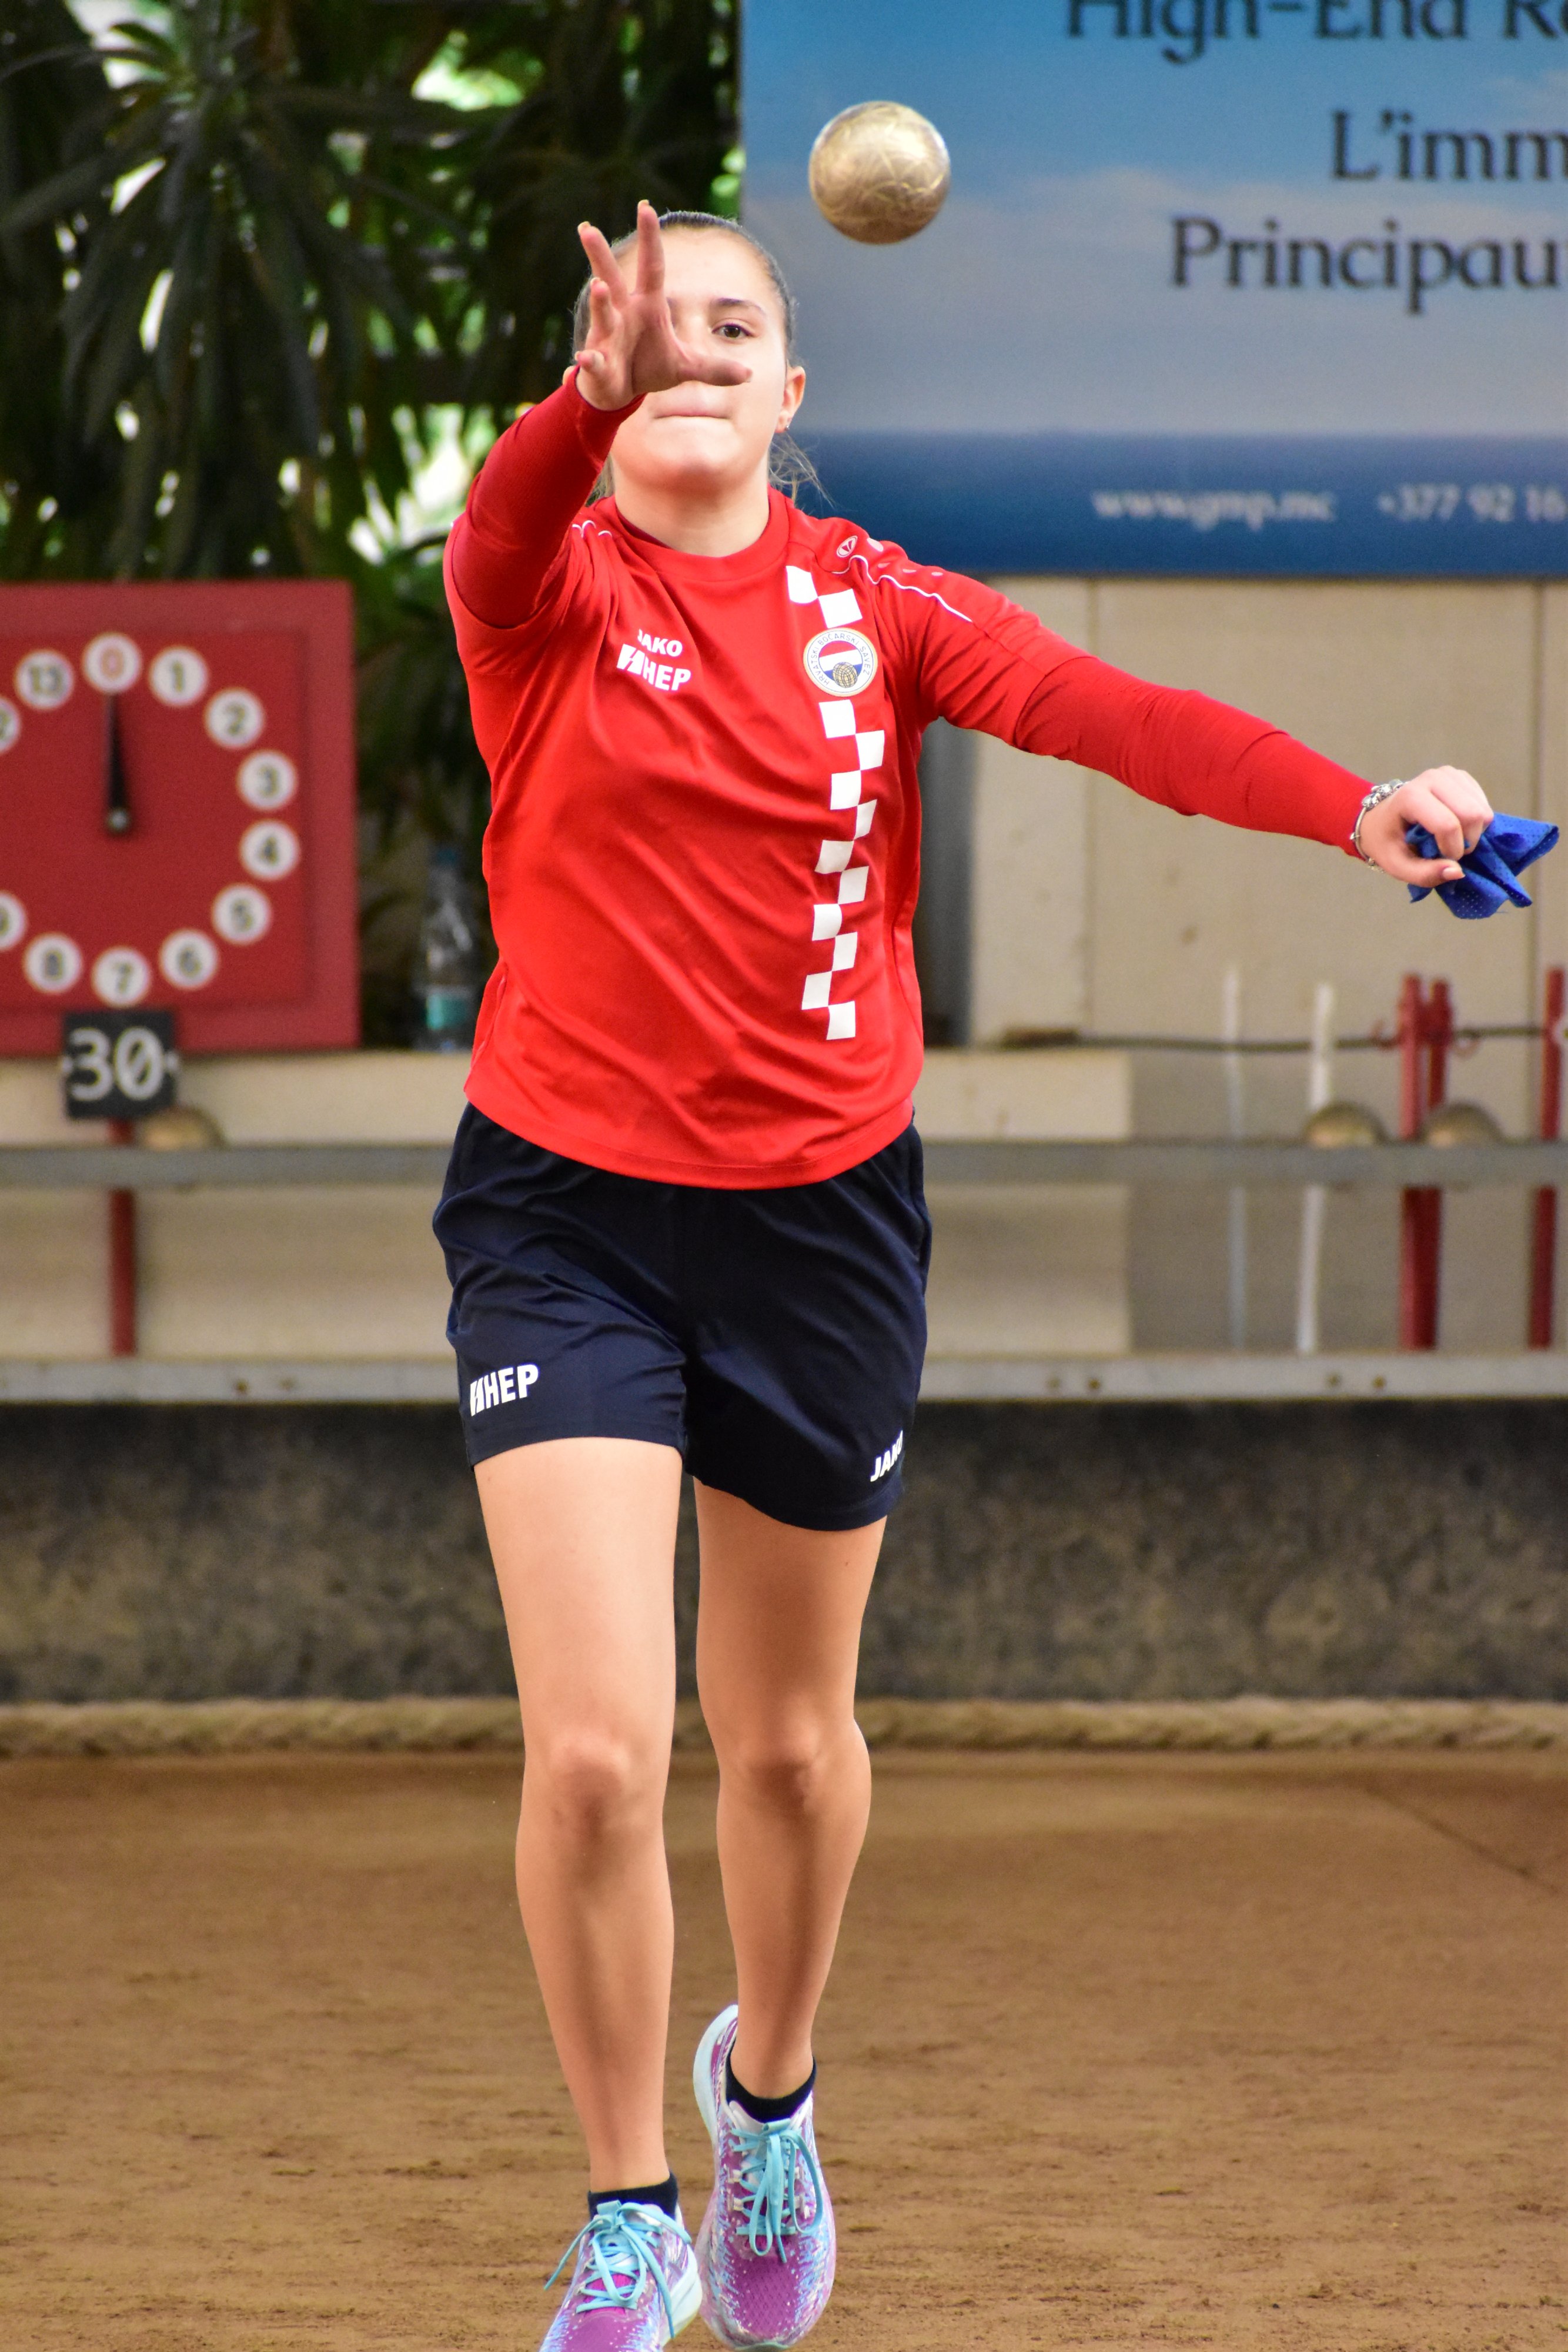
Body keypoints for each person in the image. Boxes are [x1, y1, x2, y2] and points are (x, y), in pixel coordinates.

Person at [435, 201, 1493, 2351]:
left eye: (736, 324)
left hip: (818, 1221)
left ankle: (768, 2097)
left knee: (787, 1747)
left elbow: (1114, 714)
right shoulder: (542, 590)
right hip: (565, 1212)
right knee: (598, 1757)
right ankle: (627, 2208)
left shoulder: (873, 603)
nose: (692, 350)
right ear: (601, 373)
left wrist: (1348, 805)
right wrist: (573, 400)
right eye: (651, 326)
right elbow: (514, 506)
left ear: (793, 389)